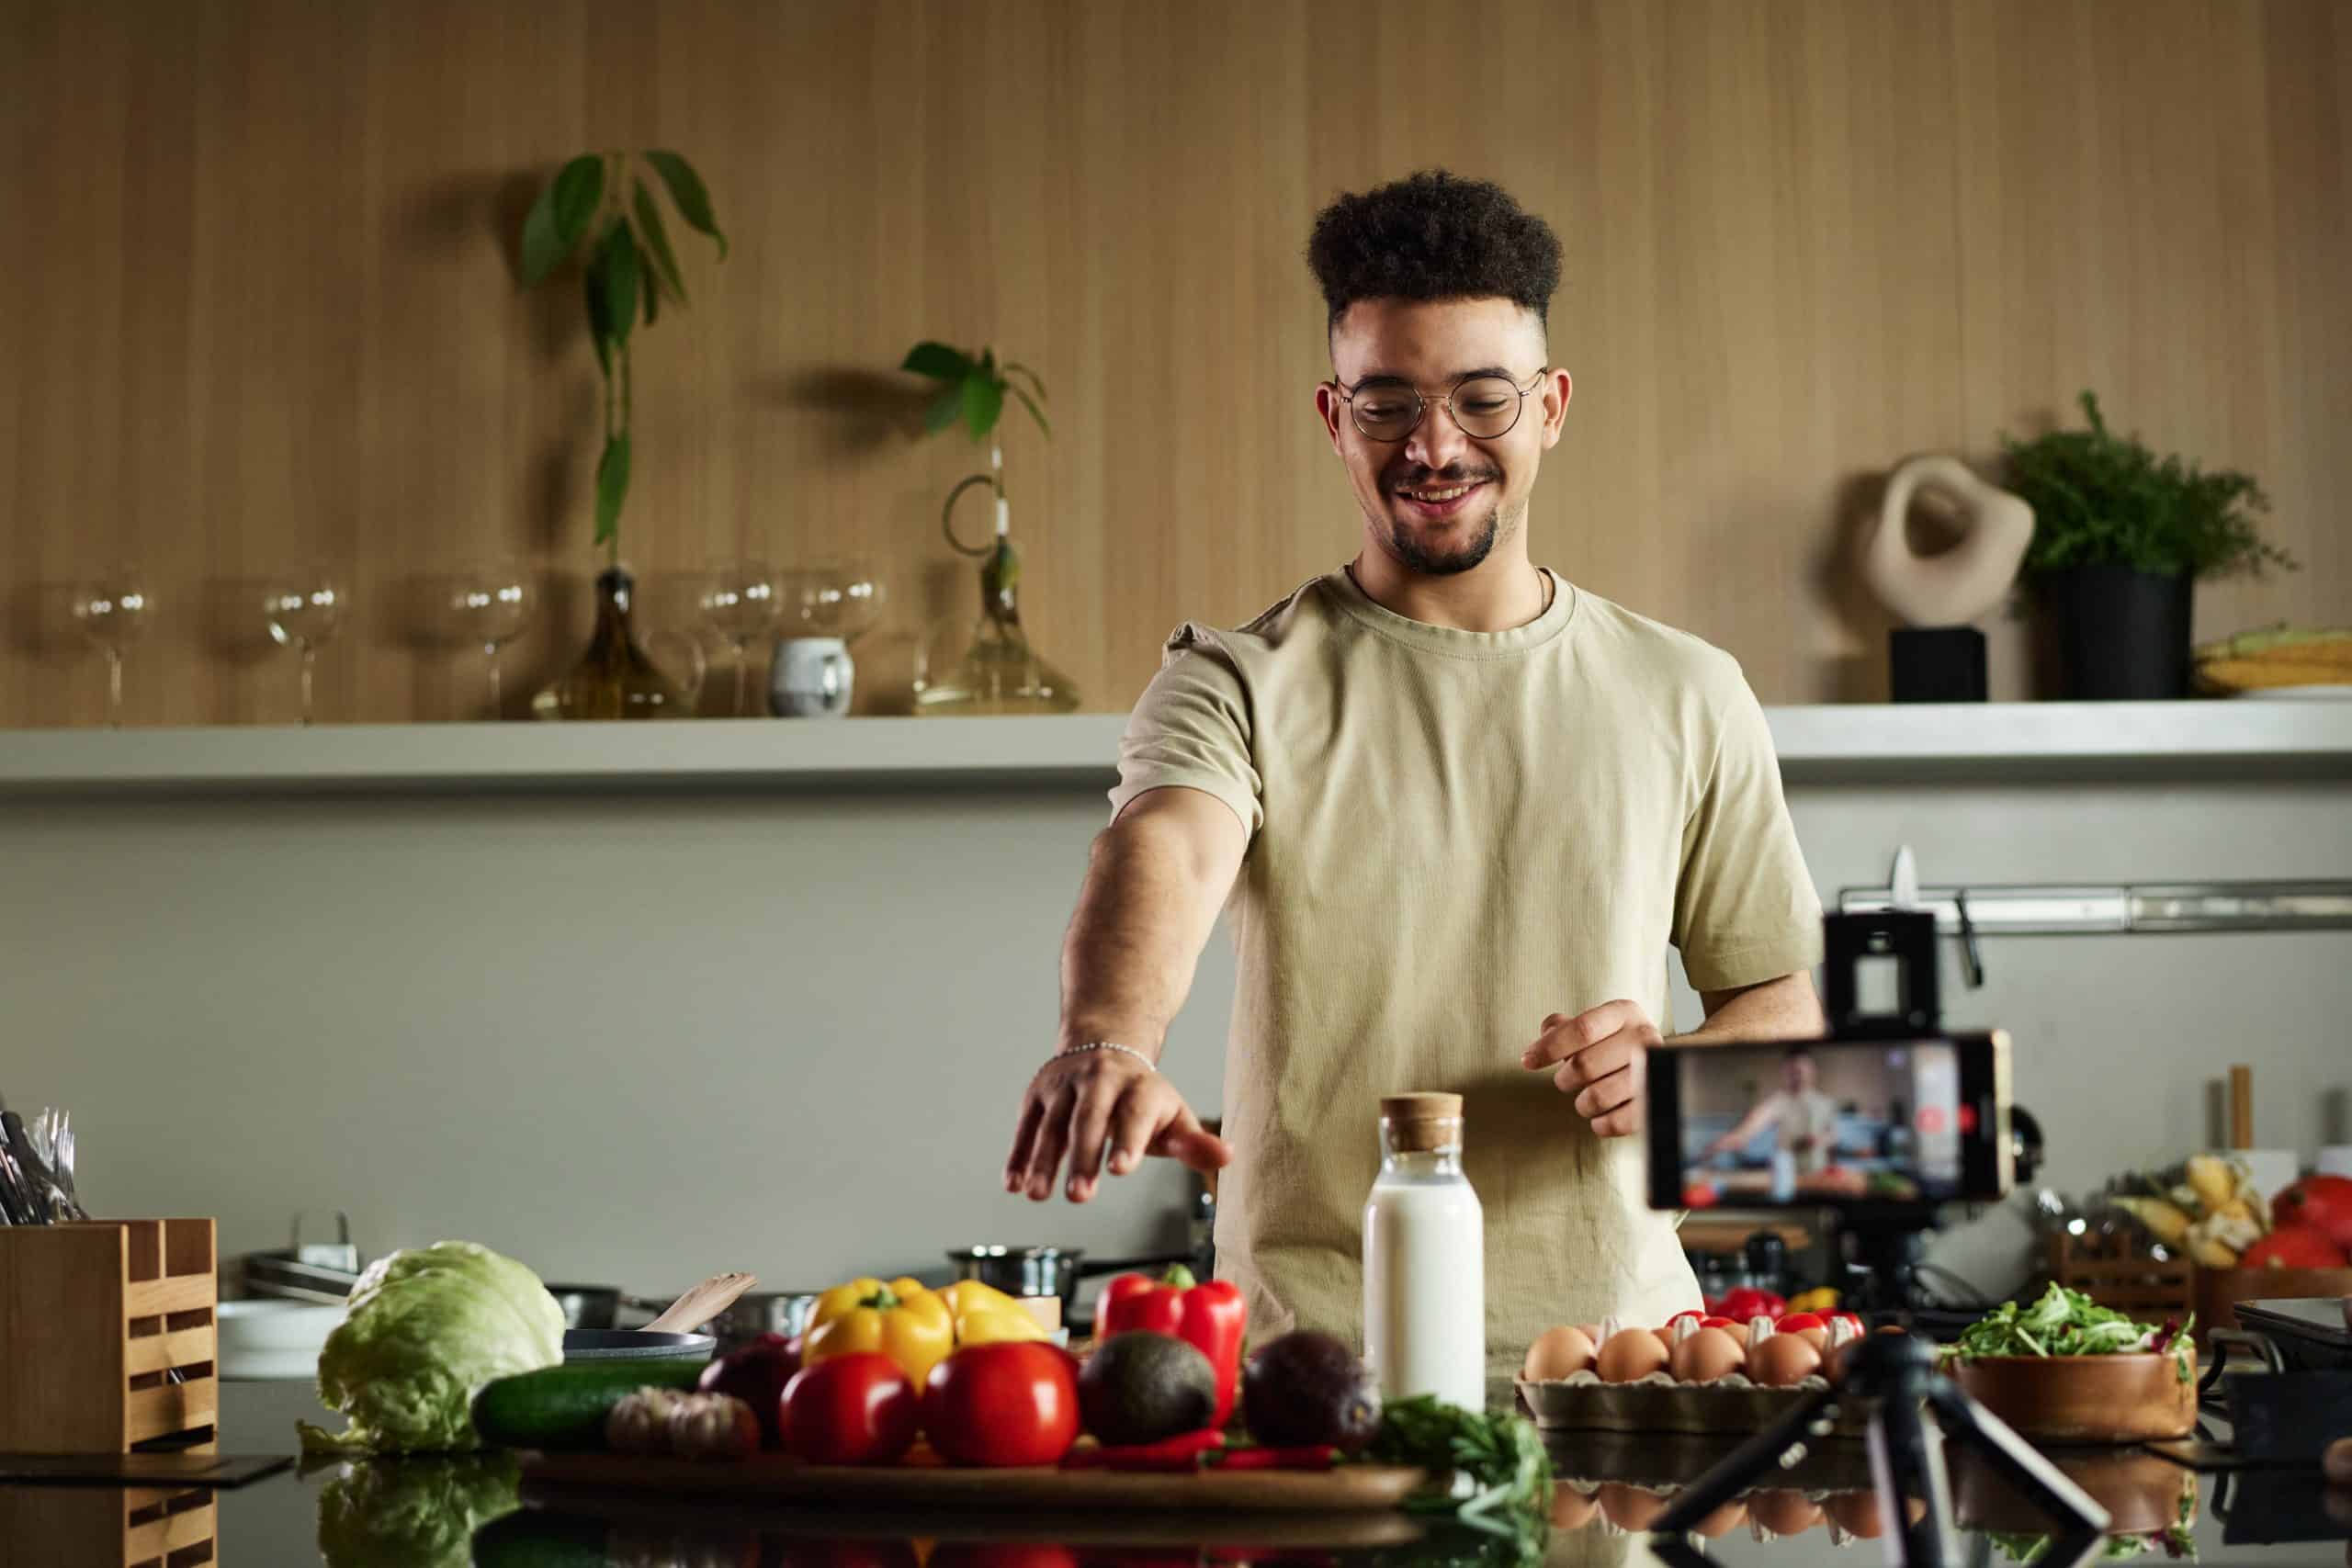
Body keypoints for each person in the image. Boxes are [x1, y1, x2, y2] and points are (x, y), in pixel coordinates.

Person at [1001, 170, 1826, 1359]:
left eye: (1482, 400)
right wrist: (1110, 1039)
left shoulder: (1689, 690)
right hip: (1314, 1372)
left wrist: (1683, 1076)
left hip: (1615, 1368)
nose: (1434, 446)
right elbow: (1165, 848)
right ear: (1334, 417)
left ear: (1550, 406)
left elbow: (1785, 1004)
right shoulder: (1237, 678)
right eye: (1387, 405)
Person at [1700, 1047, 1843, 1178]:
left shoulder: (1826, 1103)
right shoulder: (1777, 1103)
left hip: (1821, 1174)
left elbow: (1834, 1135)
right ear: (1785, 1072)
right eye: (1792, 1072)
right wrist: (1715, 1146)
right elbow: (1744, 1134)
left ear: (1812, 1071)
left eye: (1800, 1071)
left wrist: (1820, 1140)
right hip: (1788, 1175)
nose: (1797, 1077)